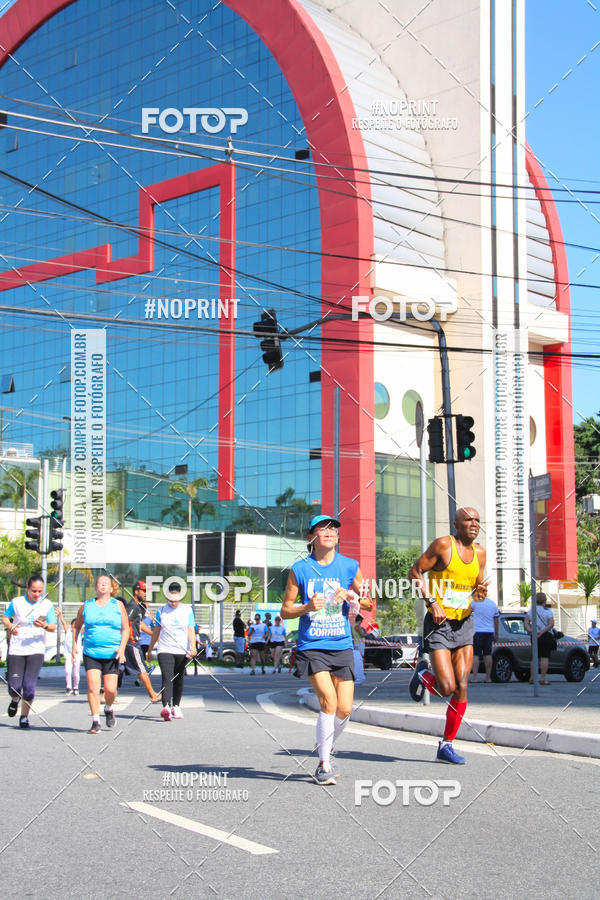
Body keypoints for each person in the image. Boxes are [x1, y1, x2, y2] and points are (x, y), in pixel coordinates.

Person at [280, 514, 372, 785]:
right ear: (312, 537)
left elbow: (369, 602)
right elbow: (285, 611)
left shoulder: (349, 566)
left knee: (345, 709)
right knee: (328, 702)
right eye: (323, 528)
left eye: (334, 528)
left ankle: (327, 745)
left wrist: (352, 596)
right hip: (312, 646)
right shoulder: (300, 569)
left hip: (342, 644)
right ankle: (324, 765)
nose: (330, 532)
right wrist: (306, 607)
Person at [408, 506, 488, 765]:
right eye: (468, 520)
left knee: (462, 687)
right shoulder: (443, 545)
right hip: (439, 625)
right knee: (446, 686)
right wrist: (432, 602)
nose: (474, 524)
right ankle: (423, 674)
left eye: (477, 520)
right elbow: (415, 572)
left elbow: (477, 587)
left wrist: (480, 593)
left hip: (464, 624)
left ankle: (447, 744)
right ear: (456, 524)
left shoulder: (480, 553)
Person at [73, 574, 129, 733]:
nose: (102, 585)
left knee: (111, 690)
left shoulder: (118, 605)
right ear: (95, 587)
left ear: (112, 588)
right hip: (91, 652)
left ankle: (109, 709)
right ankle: (95, 721)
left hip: (112, 654)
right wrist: (74, 646)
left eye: (106, 583)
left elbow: (125, 629)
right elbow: (76, 626)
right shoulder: (87, 605)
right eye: (100, 583)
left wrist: (122, 647)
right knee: (93, 686)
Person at [2, 575, 56, 728]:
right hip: (17, 649)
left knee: (30, 687)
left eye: (40, 591)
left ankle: (24, 717)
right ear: (27, 588)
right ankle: (14, 700)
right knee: (14, 687)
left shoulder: (47, 604)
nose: (37, 594)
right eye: (34, 591)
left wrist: (44, 625)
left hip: (36, 650)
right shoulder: (17, 602)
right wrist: (11, 626)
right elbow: (6, 618)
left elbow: (52, 626)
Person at [146, 582, 196, 721]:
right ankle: (166, 707)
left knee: (178, 678)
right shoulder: (161, 610)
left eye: (176, 600)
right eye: (170, 600)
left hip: (181, 649)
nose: (173, 603)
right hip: (165, 648)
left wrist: (193, 647)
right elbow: (156, 631)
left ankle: (176, 706)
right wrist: (150, 650)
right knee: (167, 677)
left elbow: (190, 629)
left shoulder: (187, 610)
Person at [118, 580, 161, 703]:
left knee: (119, 669)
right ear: (136, 591)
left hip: (130, 642)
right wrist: (127, 640)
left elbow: (139, 624)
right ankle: (152, 694)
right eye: (144, 591)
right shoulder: (132, 606)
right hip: (131, 642)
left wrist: (154, 634)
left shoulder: (137, 607)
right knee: (141, 669)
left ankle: (106, 694)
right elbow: (125, 621)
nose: (146, 594)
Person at [524, 592, 555, 685]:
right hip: (546, 635)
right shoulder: (548, 611)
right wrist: (542, 631)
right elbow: (551, 624)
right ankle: (542, 678)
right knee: (545, 657)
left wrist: (532, 631)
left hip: (535, 635)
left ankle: (532, 677)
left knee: (535, 657)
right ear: (544, 600)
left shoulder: (532, 610)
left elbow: (526, 623)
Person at [470, 593, 500, 683]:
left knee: (475, 654)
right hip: (489, 631)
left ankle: (475, 677)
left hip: (477, 631)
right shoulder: (492, 604)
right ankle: (488, 677)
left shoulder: (474, 603)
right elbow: (496, 620)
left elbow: (467, 615)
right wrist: (496, 633)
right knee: (488, 654)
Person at [64, 617, 82, 695]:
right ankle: (68, 687)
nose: (74, 625)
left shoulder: (80, 632)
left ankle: (76, 687)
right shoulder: (68, 631)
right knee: (68, 671)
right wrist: (60, 615)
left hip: (77, 655)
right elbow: (64, 623)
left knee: (76, 673)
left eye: (76, 624)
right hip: (68, 654)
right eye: (73, 624)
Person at [352, 613, 367, 686]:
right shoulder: (357, 626)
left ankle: (360, 670)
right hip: (359, 643)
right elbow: (361, 635)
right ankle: (361, 671)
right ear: (360, 620)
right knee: (361, 658)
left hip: (356, 642)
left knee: (358, 658)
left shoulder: (353, 626)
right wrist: (368, 634)